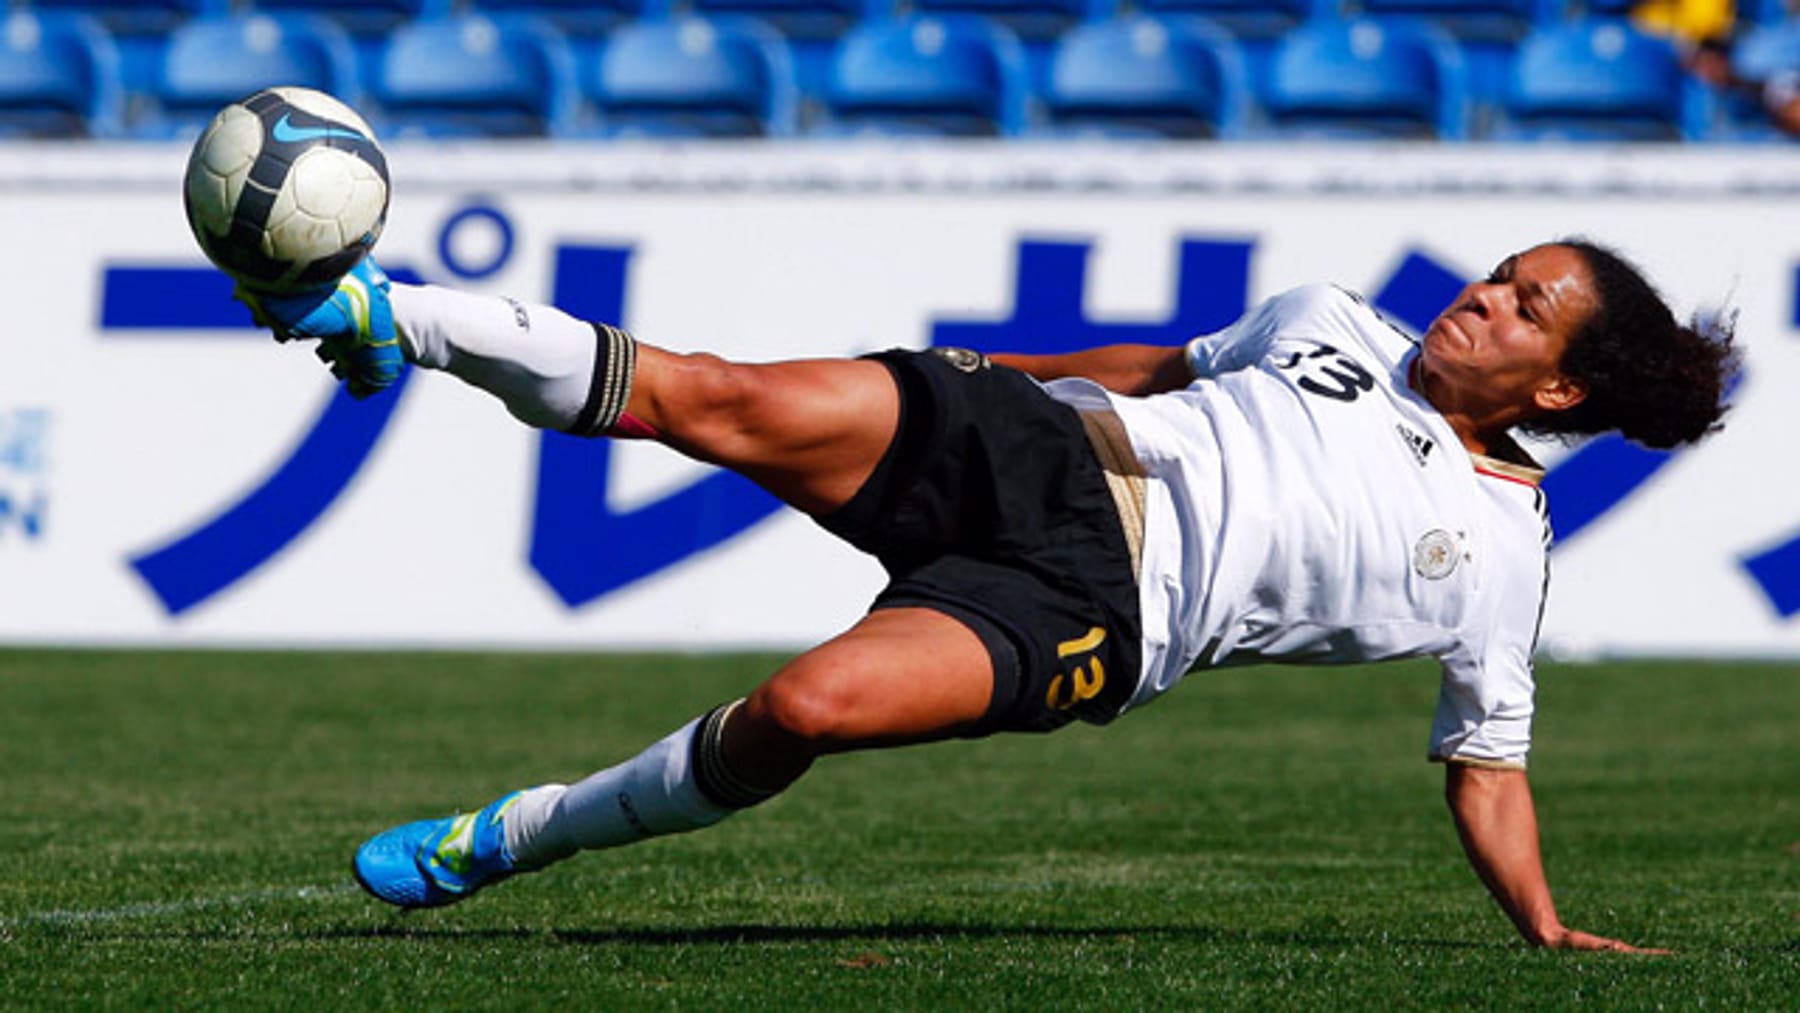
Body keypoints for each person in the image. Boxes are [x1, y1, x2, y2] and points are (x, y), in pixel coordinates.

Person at [243, 238, 1734, 951]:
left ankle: (519, 832)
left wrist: (1543, 925)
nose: (1479, 295)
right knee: (712, 395)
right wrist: (976, 377)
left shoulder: (1501, 554)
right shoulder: (1330, 319)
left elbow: (1488, 763)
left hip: (1108, 611)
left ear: (1563, 385)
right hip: (1038, 444)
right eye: (1497, 272)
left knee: (801, 708)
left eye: (1521, 306)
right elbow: (1159, 370)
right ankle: (388, 313)